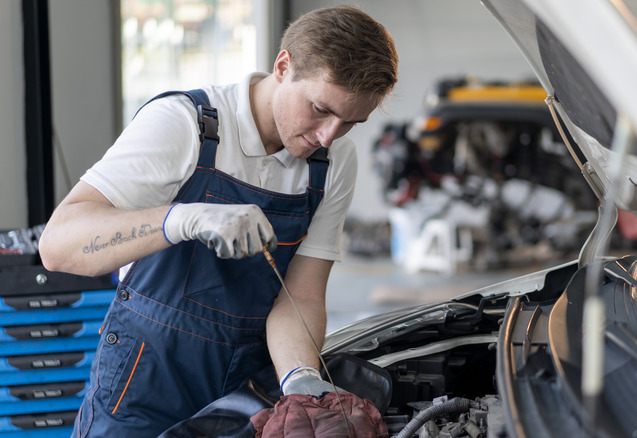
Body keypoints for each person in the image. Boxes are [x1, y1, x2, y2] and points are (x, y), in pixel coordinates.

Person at [38, 5, 398, 437]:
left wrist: (301, 380)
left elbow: (300, 294)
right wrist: (181, 219)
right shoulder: (185, 124)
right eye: (320, 108)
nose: (328, 135)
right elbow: (57, 246)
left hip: (246, 392)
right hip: (145, 382)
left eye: (350, 123)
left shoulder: (334, 162)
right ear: (283, 66)